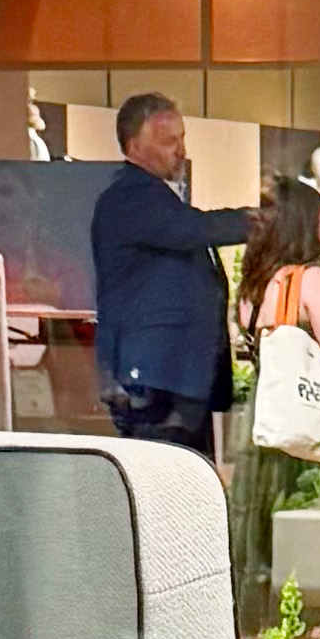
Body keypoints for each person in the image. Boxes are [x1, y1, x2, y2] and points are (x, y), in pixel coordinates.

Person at [232, 191, 320, 626]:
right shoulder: (310, 280)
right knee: (310, 541)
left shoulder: (254, 286)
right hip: (307, 427)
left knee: (267, 536)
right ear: (304, 223)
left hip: (265, 419)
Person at [89, 90, 230, 458]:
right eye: (169, 141)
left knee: (188, 486)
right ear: (133, 146)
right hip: (154, 380)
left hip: (170, 379)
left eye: (182, 139)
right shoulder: (132, 197)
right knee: (167, 489)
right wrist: (263, 222)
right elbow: (197, 229)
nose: (180, 150)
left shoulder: (156, 198)